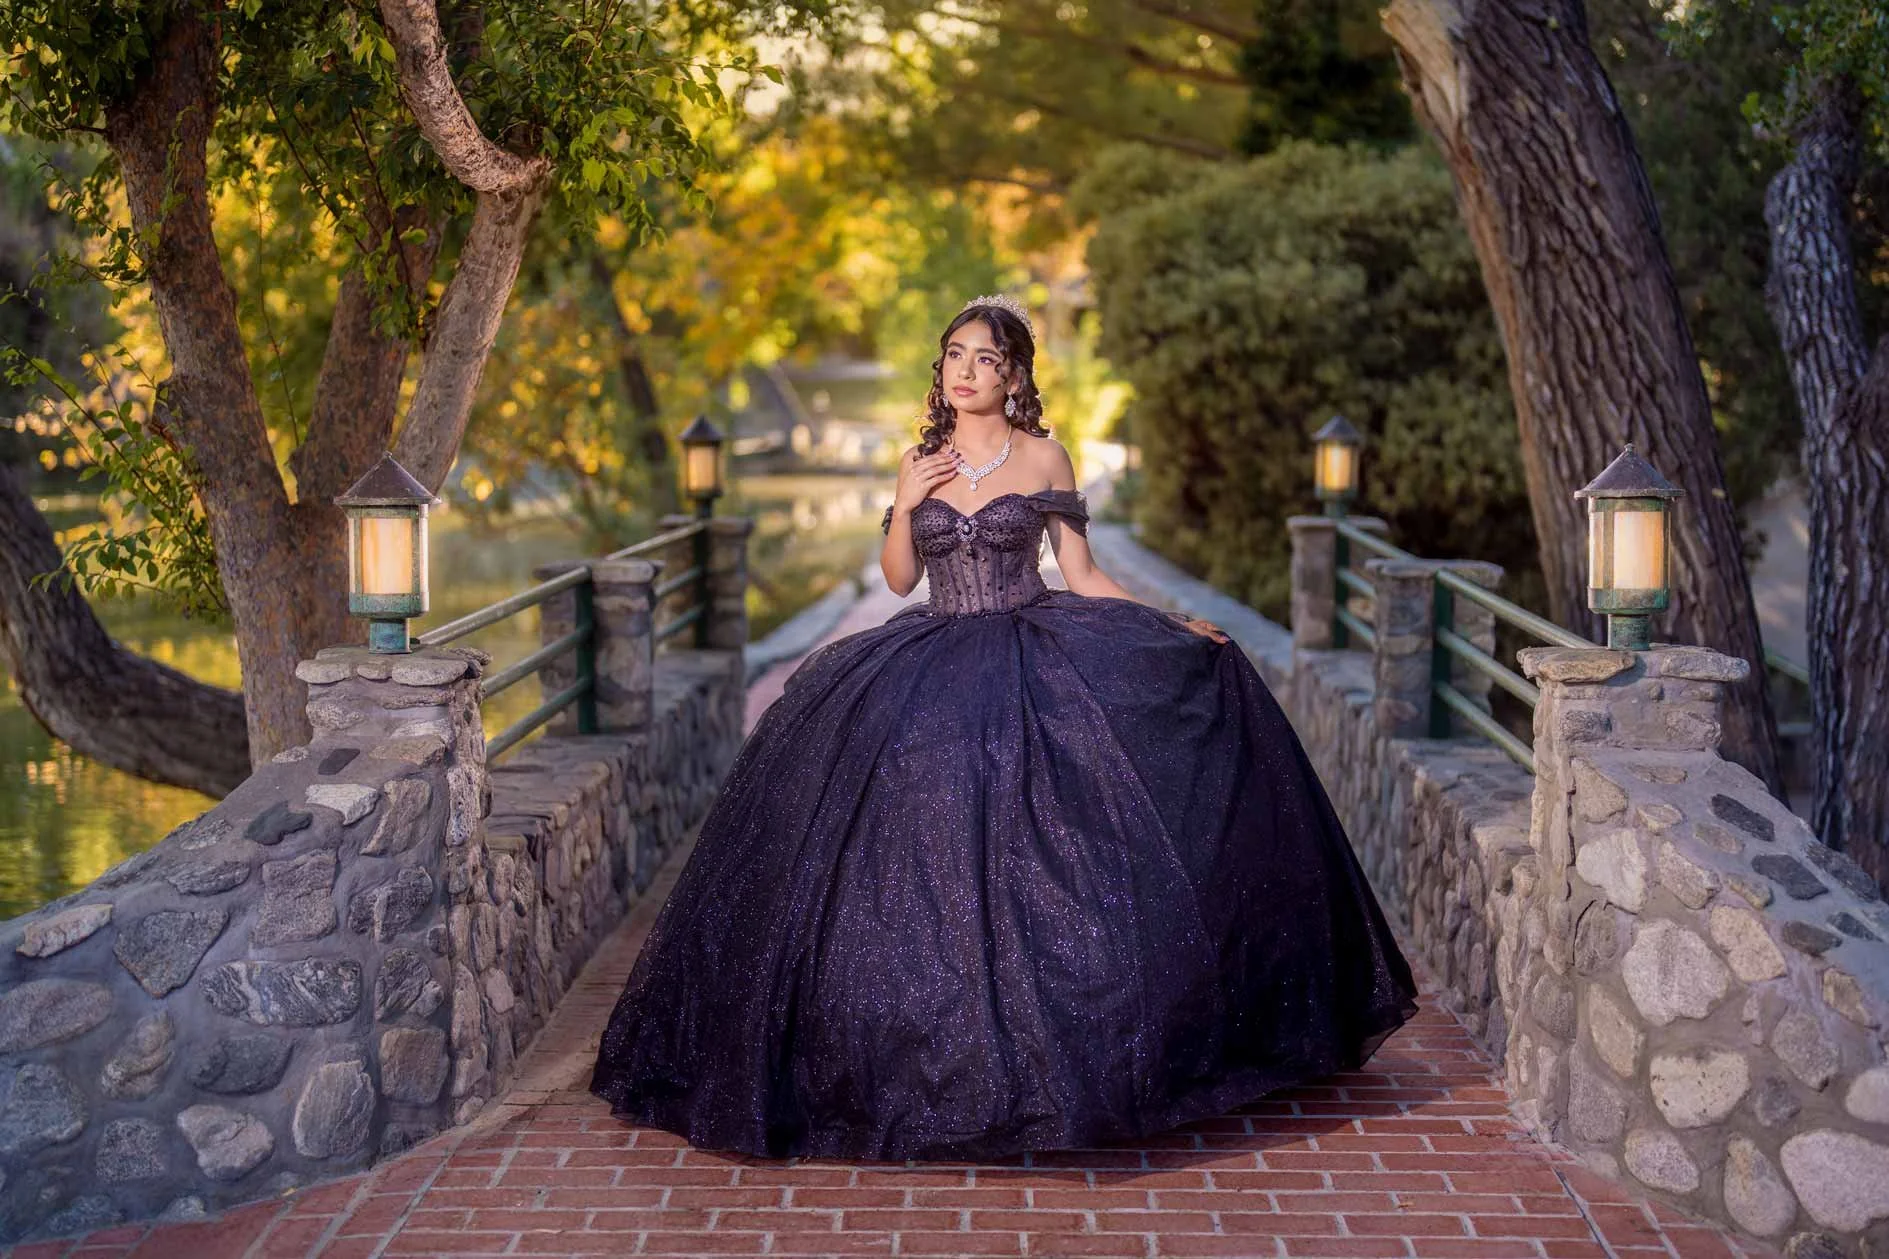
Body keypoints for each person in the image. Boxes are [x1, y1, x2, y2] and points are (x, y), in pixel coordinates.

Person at [590, 295, 1419, 1162]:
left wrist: (1170, 623)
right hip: (930, 654)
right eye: (955, 353)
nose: (965, 369)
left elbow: (1082, 572)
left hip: (1033, 652)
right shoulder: (920, 461)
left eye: (984, 357)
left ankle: (1063, 1052)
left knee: (1049, 850)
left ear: (1013, 375)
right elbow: (899, 578)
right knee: (915, 849)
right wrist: (906, 499)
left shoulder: (1043, 456)